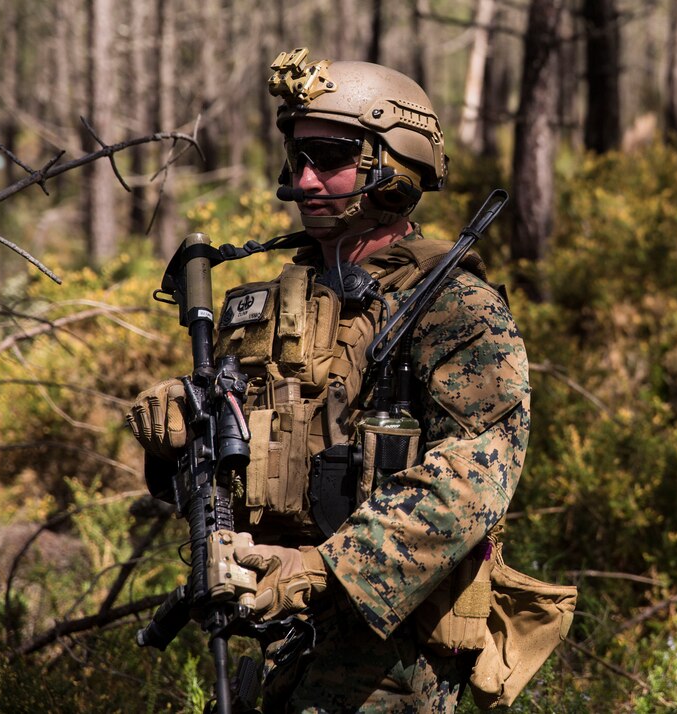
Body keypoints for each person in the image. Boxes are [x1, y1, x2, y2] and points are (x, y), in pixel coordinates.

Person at [127, 49, 546, 712]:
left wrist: (322, 569)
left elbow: (474, 478)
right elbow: (235, 468)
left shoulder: (453, 307)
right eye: (298, 158)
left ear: (394, 166)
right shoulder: (264, 306)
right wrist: (180, 435)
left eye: (330, 157)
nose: (307, 180)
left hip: (388, 657)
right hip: (274, 637)